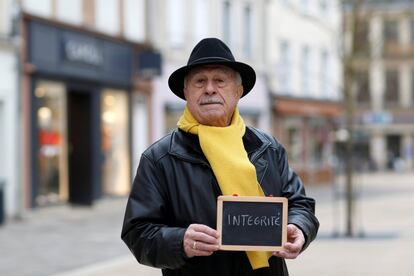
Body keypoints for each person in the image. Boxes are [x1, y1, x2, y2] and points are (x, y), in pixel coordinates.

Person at [121, 38, 319, 276]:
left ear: (238, 92)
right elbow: (137, 232)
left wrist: (299, 227)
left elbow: (300, 204)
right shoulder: (160, 158)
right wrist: (179, 240)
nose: (210, 89)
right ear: (186, 93)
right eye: (199, 81)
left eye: (220, 80)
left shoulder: (268, 148)